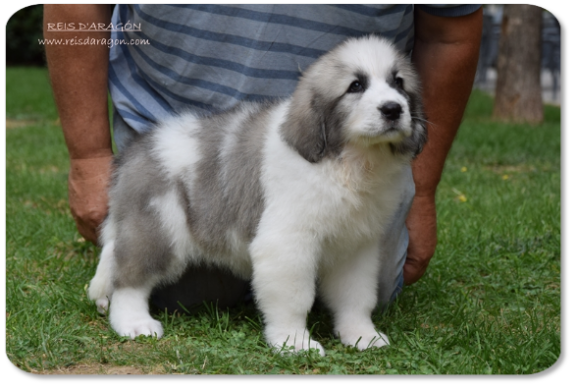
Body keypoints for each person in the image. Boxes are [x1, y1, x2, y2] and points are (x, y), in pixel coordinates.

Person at [44, 4, 483, 311]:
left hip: (355, 150)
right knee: (176, 281)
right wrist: (89, 156)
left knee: (372, 283)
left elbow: (451, 30)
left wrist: (422, 190)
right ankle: (127, 235)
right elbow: (75, 8)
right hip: (180, 145)